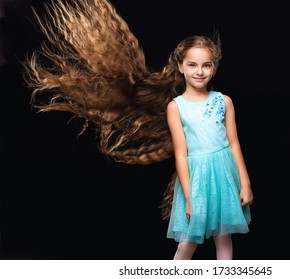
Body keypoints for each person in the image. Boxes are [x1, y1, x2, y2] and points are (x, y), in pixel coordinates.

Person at [22, 0, 253, 259]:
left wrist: (244, 182)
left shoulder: (224, 101)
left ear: (214, 67)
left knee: (224, 239)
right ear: (180, 66)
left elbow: (233, 143)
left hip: (224, 174)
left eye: (206, 65)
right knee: (187, 243)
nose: (200, 71)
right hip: (197, 178)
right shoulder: (176, 107)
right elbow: (181, 154)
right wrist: (189, 197)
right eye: (192, 65)